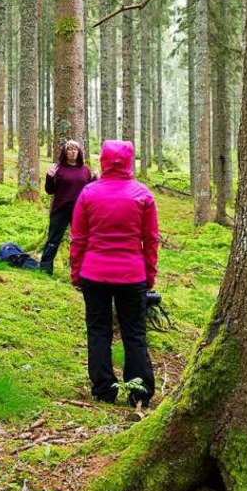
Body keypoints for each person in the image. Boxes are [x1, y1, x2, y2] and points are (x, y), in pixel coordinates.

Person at [70, 140, 159, 408]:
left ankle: (103, 390)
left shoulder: (89, 194)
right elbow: (151, 239)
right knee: (134, 333)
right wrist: (149, 274)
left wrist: (76, 272)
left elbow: (78, 238)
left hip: (94, 274)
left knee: (98, 331)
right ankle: (139, 393)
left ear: (103, 161)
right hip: (132, 275)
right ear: (129, 161)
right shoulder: (142, 195)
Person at [40, 139, 95, 275]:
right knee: (53, 239)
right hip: (60, 209)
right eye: (69, 149)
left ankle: (81, 270)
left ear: (79, 152)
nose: (72, 152)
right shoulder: (58, 169)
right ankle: (45, 269)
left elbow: (90, 190)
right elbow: (50, 190)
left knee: (81, 241)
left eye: (75, 149)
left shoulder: (85, 170)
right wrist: (49, 177)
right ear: (65, 152)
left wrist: (96, 179)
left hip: (80, 211)